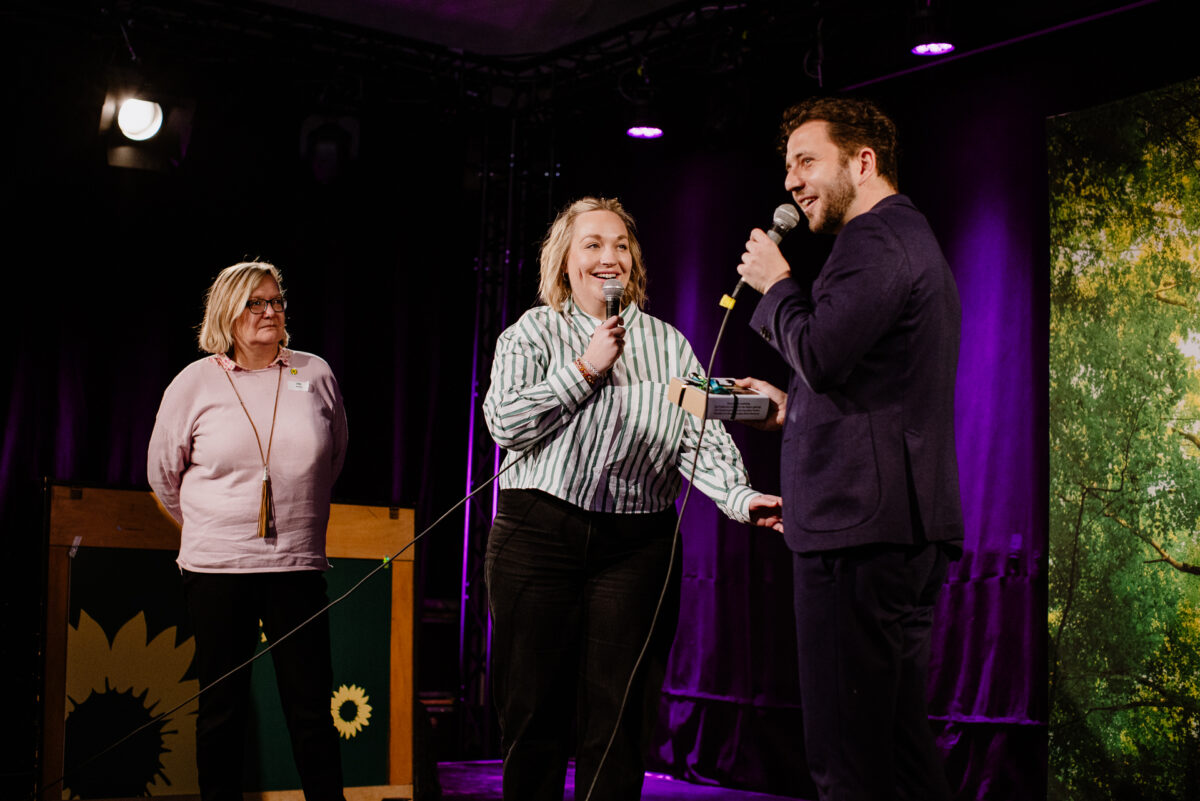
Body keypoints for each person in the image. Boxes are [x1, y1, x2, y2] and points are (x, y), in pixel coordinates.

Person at [483, 197, 783, 801]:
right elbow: (505, 423)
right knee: (534, 715)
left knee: (619, 720)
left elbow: (697, 435)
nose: (609, 257)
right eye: (592, 244)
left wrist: (740, 497)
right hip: (538, 536)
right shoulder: (533, 332)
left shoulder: (668, 345)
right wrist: (586, 370)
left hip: (636, 547)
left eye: (620, 244)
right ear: (565, 262)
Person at [734, 97, 964, 801]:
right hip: (897, 526)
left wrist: (775, 284)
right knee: (893, 743)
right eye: (787, 167)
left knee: (846, 755)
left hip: (858, 531)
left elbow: (826, 354)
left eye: (807, 161)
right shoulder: (907, 238)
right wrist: (788, 404)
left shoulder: (872, 240)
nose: (792, 183)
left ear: (861, 162)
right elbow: (866, 381)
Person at [147, 261, 349, 801]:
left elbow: (332, 458)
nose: (269, 312)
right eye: (254, 303)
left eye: (276, 301)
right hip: (217, 570)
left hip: (296, 569)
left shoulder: (315, 373)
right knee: (222, 708)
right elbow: (163, 474)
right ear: (227, 314)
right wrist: (213, 529)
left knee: (311, 709)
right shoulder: (194, 383)